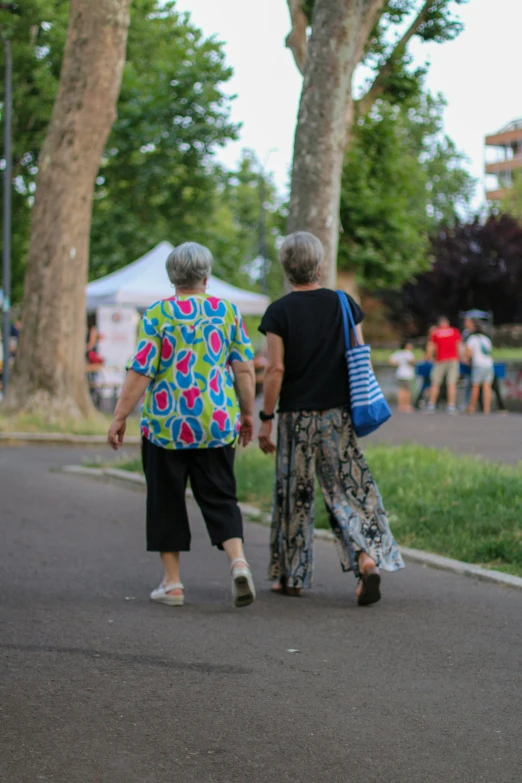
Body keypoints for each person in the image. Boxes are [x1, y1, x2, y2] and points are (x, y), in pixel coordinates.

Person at [107, 242, 257, 609]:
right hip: (216, 421)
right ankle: (237, 561)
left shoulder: (158, 314)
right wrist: (248, 413)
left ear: (172, 277)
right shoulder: (227, 313)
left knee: (165, 500)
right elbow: (244, 368)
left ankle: (172, 584)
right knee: (221, 496)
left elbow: (141, 371)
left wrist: (120, 415)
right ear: (206, 276)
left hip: (166, 426)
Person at [258, 231, 404, 606]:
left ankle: (291, 576)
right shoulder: (343, 303)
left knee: (295, 494)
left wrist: (265, 418)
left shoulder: (278, 312)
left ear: (287, 270)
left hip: (296, 419)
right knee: (349, 492)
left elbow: (274, 369)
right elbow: (358, 353)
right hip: (337, 415)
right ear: (319, 266)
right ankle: (365, 557)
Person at [426, 316, 461, 414]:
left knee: (435, 383)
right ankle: (451, 406)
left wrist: (429, 357)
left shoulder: (436, 333)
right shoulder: (454, 331)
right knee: (452, 383)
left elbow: (431, 347)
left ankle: (431, 405)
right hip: (453, 359)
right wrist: (460, 358)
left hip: (440, 359)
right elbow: (458, 345)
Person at [465, 321, 494, 414]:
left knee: (475, 386)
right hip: (488, 364)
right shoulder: (486, 339)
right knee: (487, 386)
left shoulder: (472, 339)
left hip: (478, 364)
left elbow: (468, 353)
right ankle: (486, 409)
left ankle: (472, 407)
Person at [389, 341, 415, 412]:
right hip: (407, 375)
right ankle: (407, 405)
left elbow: (391, 360)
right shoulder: (408, 353)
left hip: (400, 373)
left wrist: (397, 364)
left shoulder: (398, 353)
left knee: (401, 390)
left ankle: (400, 406)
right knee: (407, 391)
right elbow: (412, 361)